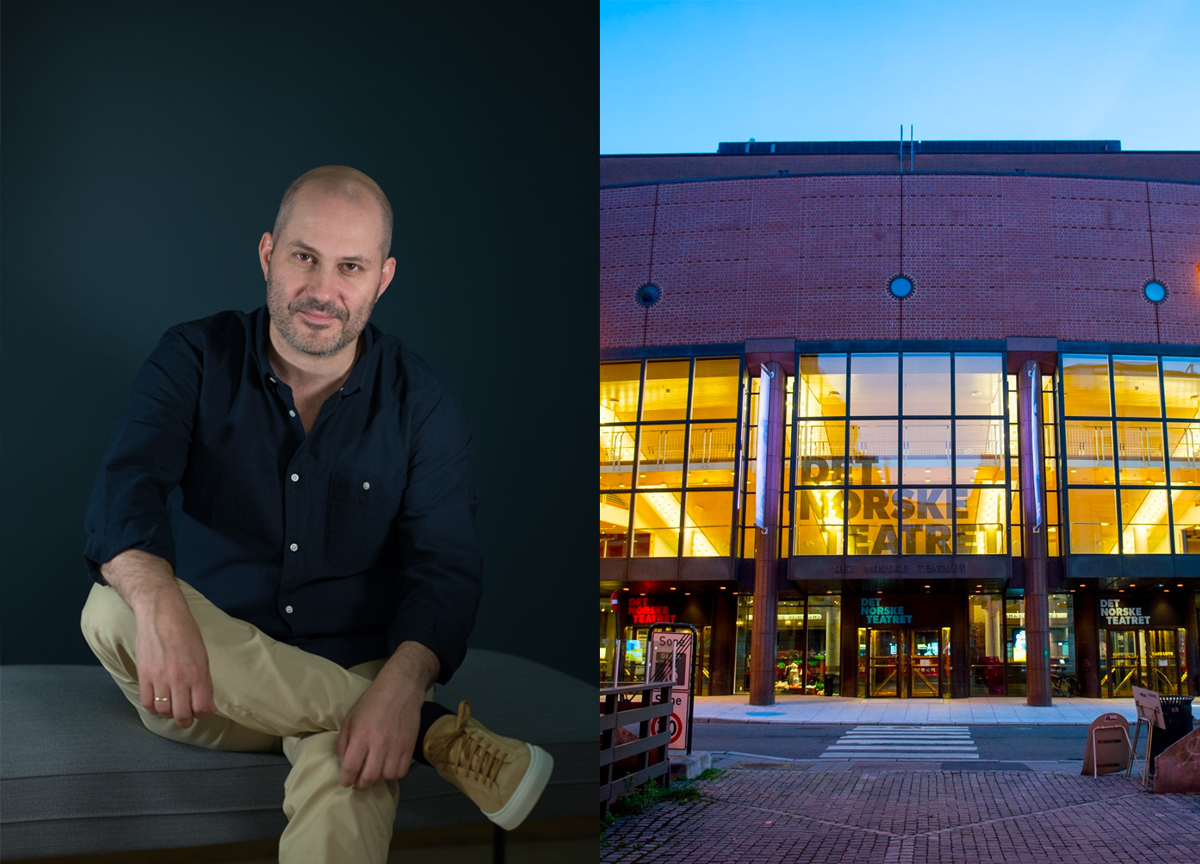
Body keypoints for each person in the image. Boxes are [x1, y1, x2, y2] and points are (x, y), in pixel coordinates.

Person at [80, 166, 552, 863]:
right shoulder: (194, 355)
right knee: (112, 607)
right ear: (269, 254)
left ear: (382, 278)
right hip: (202, 682)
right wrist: (157, 601)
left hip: (359, 671)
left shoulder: (422, 402)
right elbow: (124, 493)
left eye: (350, 267)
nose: (323, 291)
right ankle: (432, 735)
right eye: (305, 257)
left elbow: (446, 567)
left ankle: (390, 717)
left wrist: (401, 679)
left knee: (350, 766)